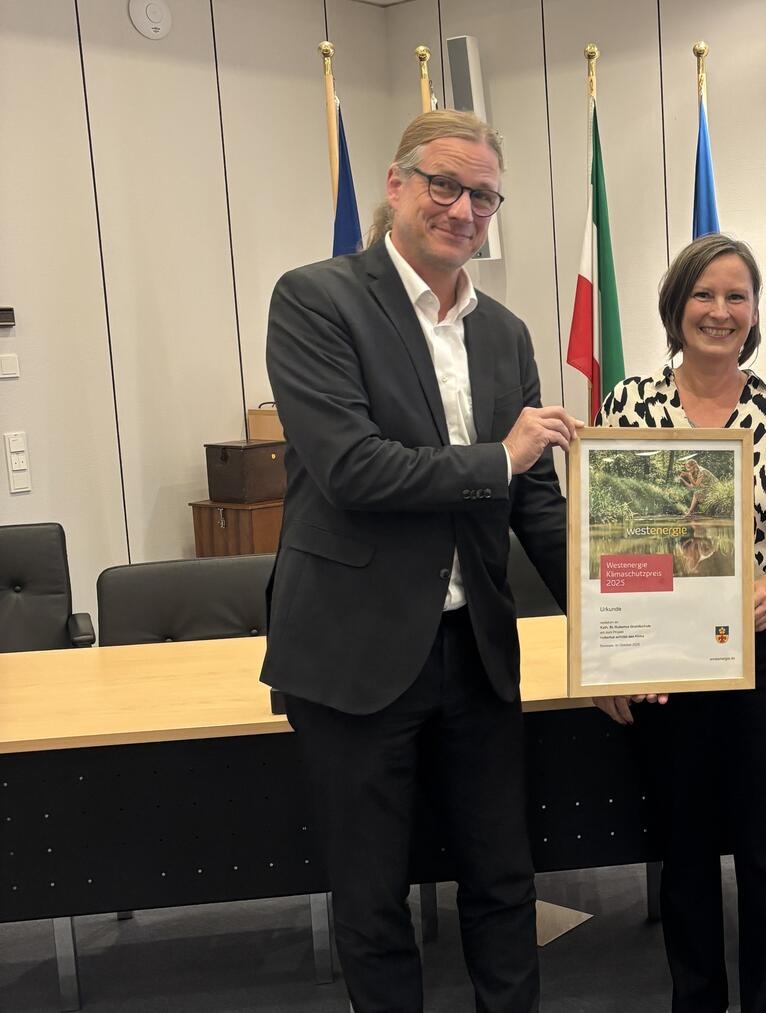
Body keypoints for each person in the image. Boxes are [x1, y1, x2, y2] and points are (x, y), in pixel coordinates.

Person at [261, 110, 576, 1013]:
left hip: (473, 650)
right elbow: (352, 468)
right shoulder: (316, 299)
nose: (463, 207)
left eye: (483, 194)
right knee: (371, 900)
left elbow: (535, 505)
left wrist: (616, 629)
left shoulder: (505, 333)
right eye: (444, 183)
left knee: (504, 880)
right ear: (395, 186)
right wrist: (500, 457)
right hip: (354, 655)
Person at [593, 234, 766, 1013]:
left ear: (754, 313)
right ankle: (696, 999)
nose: (720, 311)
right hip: (667, 653)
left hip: (764, 651)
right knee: (683, 845)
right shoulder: (629, 405)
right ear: (676, 305)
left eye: (737, 297)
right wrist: (611, 662)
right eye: (705, 294)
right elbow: (606, 540)